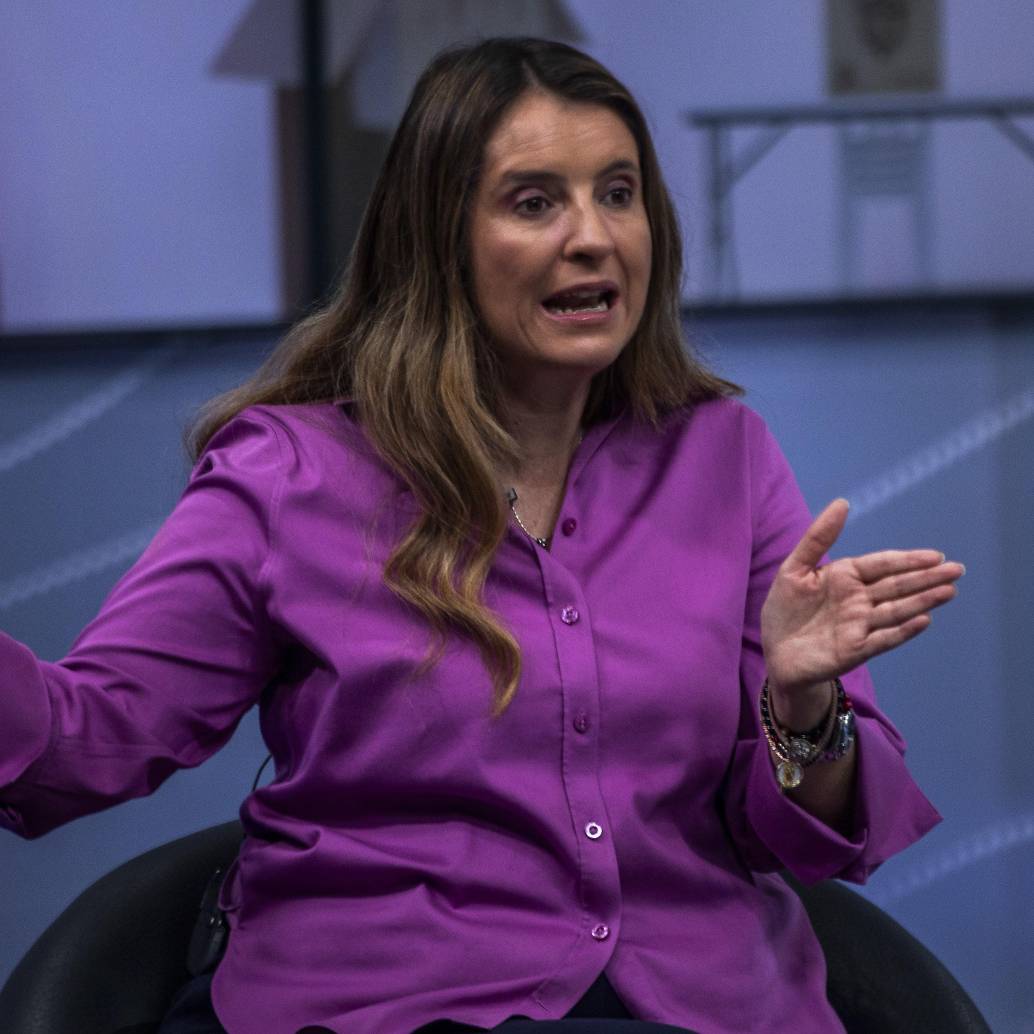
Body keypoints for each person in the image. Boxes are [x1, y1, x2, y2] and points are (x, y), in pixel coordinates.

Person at [0, 37, 963, 1034]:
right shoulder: (286, 473)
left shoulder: (724, 454)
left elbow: (811, 839)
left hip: (700, 1004)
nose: (592, 237)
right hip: (380, 1005)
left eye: (618, 193)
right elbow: (83, 742)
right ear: (439, 238)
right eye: (534, 202)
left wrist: (801, 709)